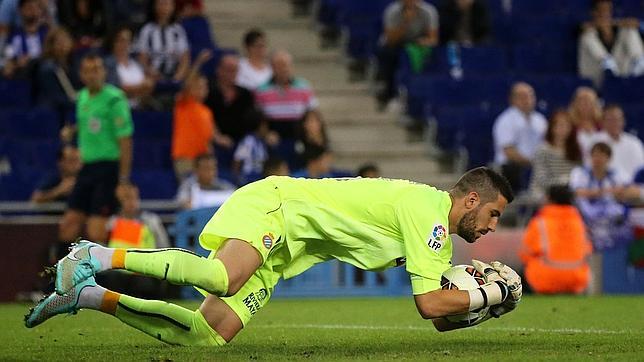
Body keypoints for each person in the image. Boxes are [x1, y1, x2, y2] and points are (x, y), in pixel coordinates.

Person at [26, 167, 523, 345]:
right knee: (225, 278)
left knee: (205, 336)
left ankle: (86, 296)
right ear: (472, 200)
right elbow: (430, 305)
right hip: (279, 206)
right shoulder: (430, 214)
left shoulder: (436, 228)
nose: (492, 227)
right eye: (495, 215)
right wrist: (489, 292)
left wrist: (479, 303)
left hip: (289, 248)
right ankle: (94, 252)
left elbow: (440, 318)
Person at [57, 53, 134, 249]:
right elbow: (88, 124)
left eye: (97, 70)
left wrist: (123, 179)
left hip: (108, 170)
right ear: (81, 75)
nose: (93, 75)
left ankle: (102, 276)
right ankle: (61, 276)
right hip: (86, 169)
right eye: (88, 71)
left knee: (95, 231)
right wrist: (71, 131)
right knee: (68, 226)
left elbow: (125, 141)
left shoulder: (115, 99)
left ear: (104, 72)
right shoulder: (82, 97)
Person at [519, 185, 593, 294]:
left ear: (550, 199)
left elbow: (524, 254)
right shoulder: (579, 222)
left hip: (545, 279)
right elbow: (588, 251)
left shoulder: (540, 222)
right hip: (576, 279)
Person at [172, 57, 233, 182]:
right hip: (186, 157)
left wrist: (220, 139)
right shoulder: (184, 104)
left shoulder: (206, 110)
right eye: (199, 86)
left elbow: (212, 133)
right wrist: (198, 63)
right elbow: (187, 84)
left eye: (205, 86)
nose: (203, 89)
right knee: (190, 188)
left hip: (202, 159)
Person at [569, 142, 639, 251]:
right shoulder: (580, 172)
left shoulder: (617, 173)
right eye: (595, 155)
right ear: (590, 157)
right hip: (586, 216)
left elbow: (635, 191)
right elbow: (577, 192)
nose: (598, 159)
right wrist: (607, 191)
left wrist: (622, 192)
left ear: (609, 158)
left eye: (602, 155)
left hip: (611, 217)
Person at [255, 50, 318, 166]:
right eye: (278, 65)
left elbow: (312, 114)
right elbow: (259, 119)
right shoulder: (262, 90)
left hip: (299, 136)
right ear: (272, 68)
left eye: (285, 65)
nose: (283, 69)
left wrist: (312, 134)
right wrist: (266, 134)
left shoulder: (303, 87)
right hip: (274, 139)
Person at [376, 0, 439, 109]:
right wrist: (405, 22)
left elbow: (433, 38)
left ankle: (423, 94)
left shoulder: (429, 11)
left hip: (418, 44)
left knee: (435, 56)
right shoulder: (392, 11)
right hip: (396, 44)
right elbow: (391, 39)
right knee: (389, 54)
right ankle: (390, 93)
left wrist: (425, 41)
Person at [492, 82, 548, 193]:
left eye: (530, 96)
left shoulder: (540, 120)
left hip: (537, 166)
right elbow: (508, 151)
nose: (527, 100)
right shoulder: (505, 120)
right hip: (512, 168)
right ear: (512, 99)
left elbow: (548, 143)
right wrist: (532, 163)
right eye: (522, 97)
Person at [578, 0, 644, 87]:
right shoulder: (587, 31)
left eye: (607, 10)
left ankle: (639, 61)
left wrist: (613, 24)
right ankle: (607, 62)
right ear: (593, 12)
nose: (605, 14)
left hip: (623, 74)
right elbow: (579, 28)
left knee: (629, 30)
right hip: (597, 77)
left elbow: (636, 24)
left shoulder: (621, 27)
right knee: (587, 36)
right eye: (601, 10)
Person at [528, 110, 582, 200]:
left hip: (568, 191)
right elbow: (542, 179)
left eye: (566, 126)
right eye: (559, 125)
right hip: (544, 191)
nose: (563, 129)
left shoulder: (575, 149)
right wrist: (563, 181)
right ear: (552, 127)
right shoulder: (542, 150)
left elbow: (579, 175)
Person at [205, 54, 257, 144]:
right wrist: (218, 137)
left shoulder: (246, 94)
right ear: (219, 70)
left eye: (234, 70)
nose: (231, 74)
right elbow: (204, 118)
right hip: (213, 140)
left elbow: (252, 121)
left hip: (241, 142)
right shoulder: (207, 93)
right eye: (228, 70)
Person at [137, 0, 190, 82]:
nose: (164, 8)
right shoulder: (147, 30)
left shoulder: (178, 30)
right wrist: (150, 72)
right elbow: (142, 58)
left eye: (167, 4)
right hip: (153, 77)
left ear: (173, 7)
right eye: (161, 4)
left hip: (175, 75)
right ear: (155, 6)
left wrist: (179, 75)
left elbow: (185, 58)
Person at [35, 27, 79, 124]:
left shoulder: (74, 65)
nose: (63, 45)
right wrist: (80, 102)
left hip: (68, 109)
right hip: (51, 113)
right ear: (51, 45)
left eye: (65, 40)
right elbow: (54, 96)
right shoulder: (47, 68)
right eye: (59, 42)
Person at [589, 104, 644, 181]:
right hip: (604, 188)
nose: (615, 123)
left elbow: (641, 170)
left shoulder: (635, 143)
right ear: (603, 122)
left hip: (632, 188)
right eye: (610, 120)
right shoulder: (594, 141)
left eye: (618, 119)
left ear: (623, 121)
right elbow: (590, 169)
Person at [104, 26, 156, 109]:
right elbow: (114, 89)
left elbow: (149, 86)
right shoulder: (108, 64)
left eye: (128, 41)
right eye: (121, 40)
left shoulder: (136, 63)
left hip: (139, 108)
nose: (124, 44)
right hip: (118, 109)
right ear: (113, 42)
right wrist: (140, 88)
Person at [1, 0, 47, 78]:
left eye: (36, 8)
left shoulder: (47, 32)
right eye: (29, 8)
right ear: (20, 10)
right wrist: (15, 63)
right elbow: (9, 55)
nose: (33, 11)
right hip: (22, 73)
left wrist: (35, 58)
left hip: (44, 70)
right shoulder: (14, 35)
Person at [568, 86, 602, 158]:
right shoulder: (569, 125)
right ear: (575, 104)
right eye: (581, 101)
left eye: (589, 101)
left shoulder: (601, 125)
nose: (585, 104)